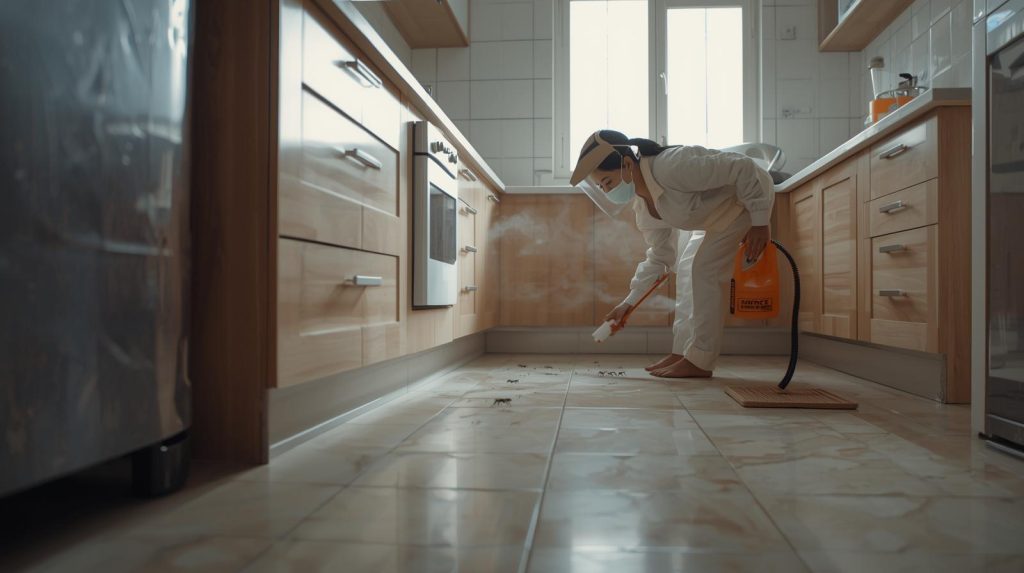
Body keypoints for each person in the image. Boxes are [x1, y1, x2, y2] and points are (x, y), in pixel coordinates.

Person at [571, 130, 775, 378]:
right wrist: (628, 304)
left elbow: (742, 167)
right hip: (716, 215)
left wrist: (760, 222)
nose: (607, 191)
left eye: (608, 182)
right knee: (686, 270)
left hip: (748, 197)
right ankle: (682, 352)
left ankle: (701, 360)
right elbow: (659, 258)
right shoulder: (643, 206)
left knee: (704, 270)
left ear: (627, 164)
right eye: (602, 187)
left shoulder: (670, 166)